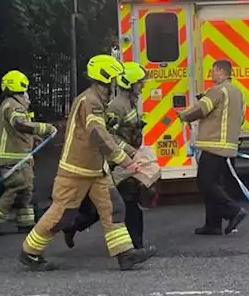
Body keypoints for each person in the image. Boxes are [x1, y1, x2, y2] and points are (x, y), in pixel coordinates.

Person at [18, 55, 155, 271]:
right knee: (62, 214)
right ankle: (30, 252)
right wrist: (125, 161)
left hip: (95, 169)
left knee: (114, 208)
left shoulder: (97, 101)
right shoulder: (90, 101)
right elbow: (98, 135)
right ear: (105, 78)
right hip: (77, 169)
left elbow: (106, 132)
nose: (115, 85)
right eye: (113, 80)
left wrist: (127, 153)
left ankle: (125, 254)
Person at [63, 61, 150, 251]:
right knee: (124, 202)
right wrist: (128, 153)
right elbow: (107, 135)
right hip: (114, 163)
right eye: (139, 83)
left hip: (119, 161)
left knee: (106, 205)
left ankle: (73, 226)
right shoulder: (117, 106)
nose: (142, 86)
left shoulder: (129, 103)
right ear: (129, 83)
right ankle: (135, 246)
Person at [179, 58, 249, 236]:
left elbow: (202, 109)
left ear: (221, 71)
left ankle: (233, 211)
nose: (211, 75)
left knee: (205, 182)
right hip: (229, 146)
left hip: (214, 145)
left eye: (213, 71)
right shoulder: (238, 92)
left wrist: (184, 116)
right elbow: (241, 118)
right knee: (216, 184)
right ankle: (213, 224)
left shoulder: (217, 90)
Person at [0, 70, 55, 235]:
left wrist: (36, 137)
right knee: (17, 187)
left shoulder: (12, 104)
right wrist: (45, 128)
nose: (27, 94)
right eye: (26, 91)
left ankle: (25, 222)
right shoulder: (13, 105)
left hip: (20, 156)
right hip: (12, 157)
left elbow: (20, 130)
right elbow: (19, 124)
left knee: (27, 188)